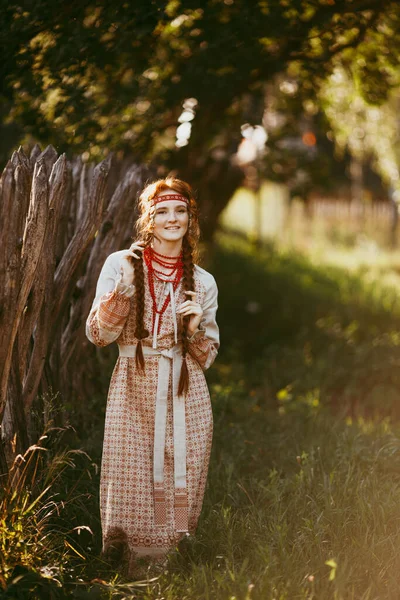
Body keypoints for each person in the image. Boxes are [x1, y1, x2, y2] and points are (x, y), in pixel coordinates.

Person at [85, 177, 219, 576]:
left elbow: (207, 357)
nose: (171, 219)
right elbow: (98, 335)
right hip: (133, 388)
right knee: (131, 480)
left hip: (185, 393)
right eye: (162, 211)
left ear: (191, 220)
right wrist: (123, 292)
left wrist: (193, 329)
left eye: (180, 211)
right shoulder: (120, 264)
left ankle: (169, 569)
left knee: (181, 474)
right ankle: (124, 570)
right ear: (148, 218)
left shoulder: (204, 281)